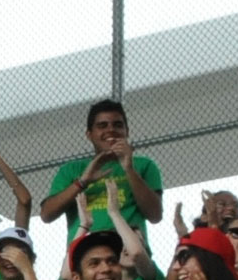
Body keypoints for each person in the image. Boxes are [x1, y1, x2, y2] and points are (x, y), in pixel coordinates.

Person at [41, 99, 164, 237]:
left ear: (127, 131)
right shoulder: (71, 170)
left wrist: (129, 169)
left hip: (129, 251)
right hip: (86, 251)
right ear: (89, 134)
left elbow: (155, 215)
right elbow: (46, 215)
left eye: (117, 125)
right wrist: (82, 182)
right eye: (102, 125)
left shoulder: (144, 165)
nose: (111, 130)